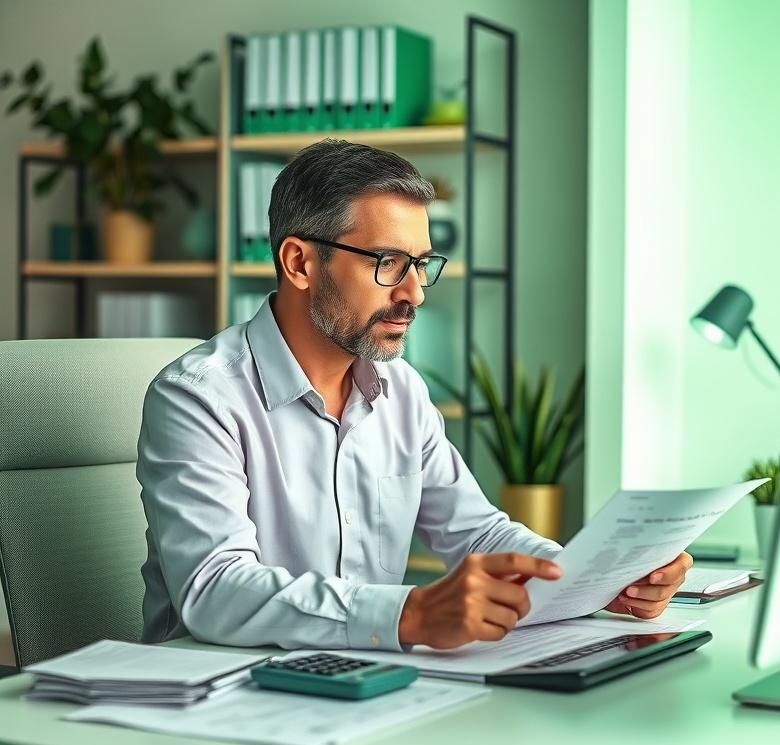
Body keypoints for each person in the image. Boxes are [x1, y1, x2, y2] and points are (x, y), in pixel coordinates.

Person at [137, 139, 692, 652]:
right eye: (388, 263)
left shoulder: (399, 388)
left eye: (421, 264)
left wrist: (596, 580)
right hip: (216, 696)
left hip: (362, 682)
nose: (415, 292)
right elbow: (214, 590)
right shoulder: (199, 397)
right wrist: (410, 614)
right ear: (300, 263)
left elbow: (477, 532)